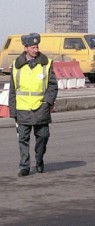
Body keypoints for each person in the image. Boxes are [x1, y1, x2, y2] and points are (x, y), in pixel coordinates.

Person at [9, 33, 58, 177]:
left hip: (40, 108)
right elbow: (12, 90)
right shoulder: (16, 66)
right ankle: (24, 166)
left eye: (37, 47)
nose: (36, 50)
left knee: (43, 136)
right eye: (33, 47)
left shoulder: (46, 63)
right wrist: (13, 111)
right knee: (23, 139)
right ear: (25, 48)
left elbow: (53, 86)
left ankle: (39, 160)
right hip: (22, 109)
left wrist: (47, 102)